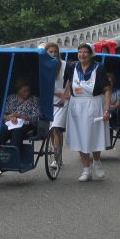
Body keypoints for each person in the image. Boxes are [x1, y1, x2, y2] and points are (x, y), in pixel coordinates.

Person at [63, 43, 111, 181]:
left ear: (91, 54)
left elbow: (107, 89)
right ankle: (86, 170)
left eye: (85, 52)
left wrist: (107, 110)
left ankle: (96, 162)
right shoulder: (72, 67)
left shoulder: (99, 68)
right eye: (80, 52)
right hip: (76, 105)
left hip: (94, 104)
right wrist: (63, 99)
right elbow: (67, 84)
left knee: (94, 136)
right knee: (80, 137)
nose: (82, 54)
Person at [44, 42, 67, 170]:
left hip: (63, 101)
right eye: (50, 52)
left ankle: (56, 159)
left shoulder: (64, 65)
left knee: (56, 128)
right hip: (49, 101)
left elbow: (70, 82)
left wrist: (64, 95)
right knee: (52, 131)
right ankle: (59, 155)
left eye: (55, 52)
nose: (53, 54)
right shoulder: (43, 65)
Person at [0, 78, 40, 147]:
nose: (27, 93)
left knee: (16, 131)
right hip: (11, 123)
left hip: (26, 124)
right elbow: (4, 115)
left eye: (28, 91)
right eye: (24, 91)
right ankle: (0, 152)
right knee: (2, 130)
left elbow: (34, 117)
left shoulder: (34, 99)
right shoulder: (11, 98)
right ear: (18, 90)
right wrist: (11, 117)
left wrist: (20, 116)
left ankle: (14, 153)